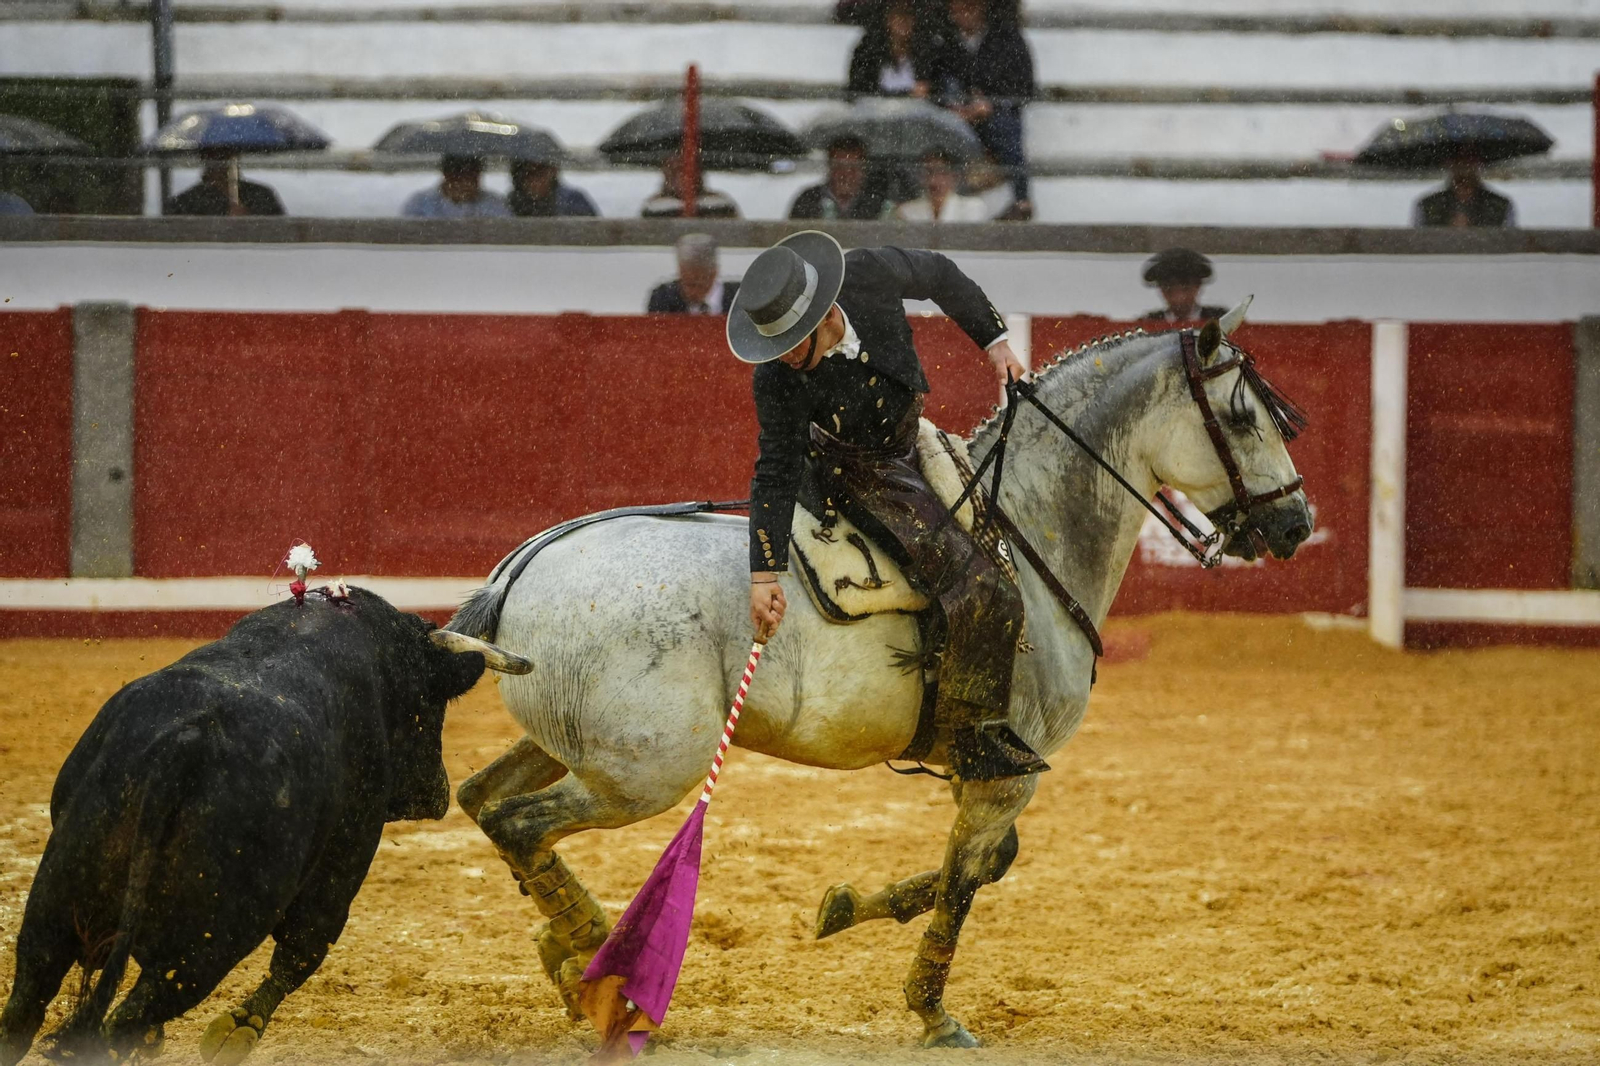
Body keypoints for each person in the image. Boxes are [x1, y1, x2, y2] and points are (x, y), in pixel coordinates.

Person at [728, 230, 1046, 781]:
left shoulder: (869, 272)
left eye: (789, 345)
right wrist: (764, 574)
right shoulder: (776, 378)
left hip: (911, 438)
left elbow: (940, 274)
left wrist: (994, 342)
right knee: (981, 588)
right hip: (853, 471)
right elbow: (775, 469)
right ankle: (971, 738)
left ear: (824, 315)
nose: (780, 360)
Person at [940, 0, 1035, 219]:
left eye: (969, 7)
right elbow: (937, 81)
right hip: (957, 114)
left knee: (1006, 130)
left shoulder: (1006, 39)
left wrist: (991, 104)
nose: (963, 15)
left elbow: (1024, 87)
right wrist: (954, 107)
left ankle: (1021, 198)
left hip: (995, 114)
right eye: (957, 9)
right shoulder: (945, 42)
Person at [846, 0, 951, 100]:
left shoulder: (927, 54)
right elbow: (859, 90)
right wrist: (908, 93)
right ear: (887, 19)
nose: (903, 21)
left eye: (908, 15)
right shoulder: (868, 52)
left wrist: (928, 89)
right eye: (898, 14)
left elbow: (938, 89)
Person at [788, 135, 898, 220]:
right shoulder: (809, 200)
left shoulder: (877, 202)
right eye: (839, 167)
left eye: (853, 168)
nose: (846, 175)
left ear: (863, 171)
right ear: (829, 168)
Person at [165, 149, 285, 216]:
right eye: (216, 157)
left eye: (229, 157)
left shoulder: (261, 195)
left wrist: (250, 220)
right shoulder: (187, 201)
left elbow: (280, 230)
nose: (224, 164)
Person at [646, 233, 739, 314]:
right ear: (680, 272)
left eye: (699, 285)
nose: (693, 292)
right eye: (687, 284)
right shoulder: (663, 298)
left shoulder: (740, 299)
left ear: (714, 273)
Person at [1412, 156, 1517, 228]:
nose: (1465, 166)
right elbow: (1419, 243)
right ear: (1449, 164)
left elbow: (1508, 242)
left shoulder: (1501, 206)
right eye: (1458, 160)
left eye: (1470, 160)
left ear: (1479, 163)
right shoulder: (1427, 206)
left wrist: (1475, 231)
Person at [400, 155, 512, 219]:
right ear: (446, 175)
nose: (465, 180)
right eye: (458, 173)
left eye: (471, 173)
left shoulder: (495, 204)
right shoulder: (420, 203)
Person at [894, 147, 989, 221]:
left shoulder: (973, 208)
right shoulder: (907, 211)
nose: (933, 180)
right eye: (928, 172)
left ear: (954, 176)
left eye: (942, 172)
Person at [639, 150, 740, 219]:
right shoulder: (654, 207)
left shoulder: (719, 204)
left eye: (685, 170)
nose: (680, 177)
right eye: (673, 171)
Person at [1139, 248, 1227, 323]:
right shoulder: (1147, 324)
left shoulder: (1223, 321)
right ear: (1161, 290)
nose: (1178, 295)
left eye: (1185, 286)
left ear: (1198, 285)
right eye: (1168, 287)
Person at [507, 159, 599, 217]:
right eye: (528, 174)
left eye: (540, 172)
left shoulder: (572, 200)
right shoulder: (511, 203)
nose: (534, 180)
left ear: (552, 172)